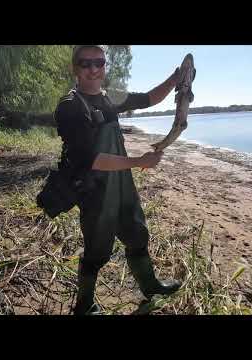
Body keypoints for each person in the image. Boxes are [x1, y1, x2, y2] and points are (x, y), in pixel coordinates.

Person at [55, 45, 182, 315]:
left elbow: (149, 98)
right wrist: (139, 162)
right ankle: (84, 305)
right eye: (85, 63)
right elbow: (90, 159)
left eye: (99, 62)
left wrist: (175, 79)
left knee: (137, 234)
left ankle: (151, 287)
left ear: (104, 66)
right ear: (75, 68)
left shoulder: (109, 99)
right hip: (93, 189)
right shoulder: (69, 107)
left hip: (121, 184)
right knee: (97, 249)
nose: (93, 69)